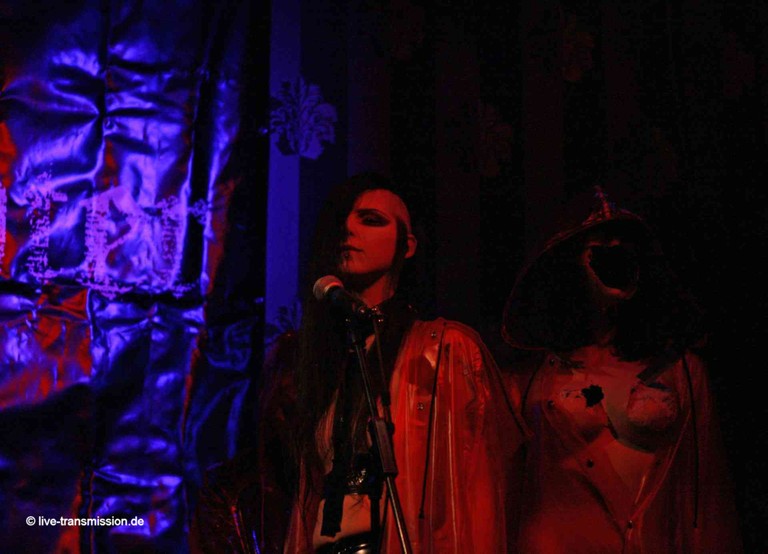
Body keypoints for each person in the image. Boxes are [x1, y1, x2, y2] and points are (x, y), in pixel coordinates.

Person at [193, 173, 527, 553]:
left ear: (408, 245)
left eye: (371, 220)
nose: (348, 229)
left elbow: (482, 485)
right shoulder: (311, 359)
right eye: (343, 220)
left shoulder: (445, 349)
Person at [500, 187, 743, 553]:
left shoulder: (682, 373)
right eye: (599, 249)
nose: (615, 257)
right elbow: (505, 492)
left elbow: (708, 498)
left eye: (625, 249)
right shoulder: (529, 381)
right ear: (570, 266)